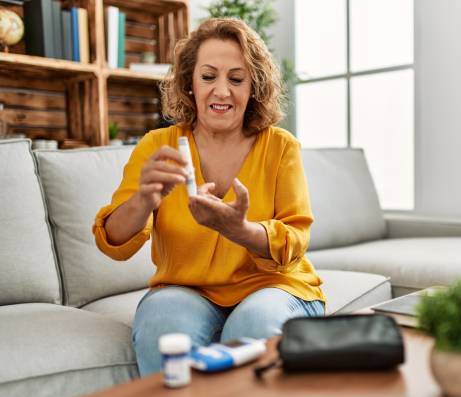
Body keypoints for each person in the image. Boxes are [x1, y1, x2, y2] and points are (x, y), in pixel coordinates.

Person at [92, 18, 325, 376]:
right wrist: (144, 199)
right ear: (189, 83)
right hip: (185, 289)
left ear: (254, 87)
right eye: (208, 76)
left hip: (274, 287)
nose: (221, 91)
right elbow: (113, 242)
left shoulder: (280, 146)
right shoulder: (159, 145)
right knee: (162, 329)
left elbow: (296, 240)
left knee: (250, 329)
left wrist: (240, 231)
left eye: (236, 79)